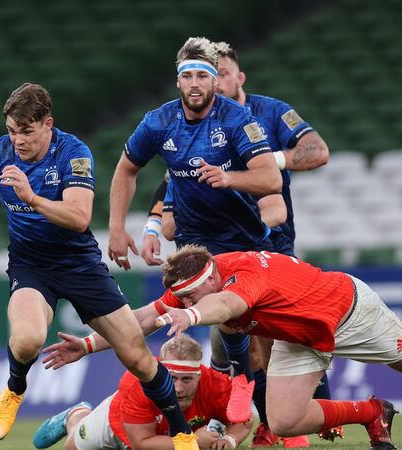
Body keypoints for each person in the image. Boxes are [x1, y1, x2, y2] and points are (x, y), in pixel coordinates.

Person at [0, 82, 200, 450]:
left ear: (48, 124)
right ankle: (15, 389)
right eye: (12, 131)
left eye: (27, 131)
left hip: (80, 265)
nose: (18, 140)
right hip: (31, 265)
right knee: (28, 338)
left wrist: (30, 197)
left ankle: (181, 432)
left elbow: (79, 217)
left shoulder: (73, 153)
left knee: (138, 358)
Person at [139, 41, 333, 447]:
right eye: (195, 75)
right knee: (231, 339)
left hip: (271, 245)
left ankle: (317, 415)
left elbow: (316, 153)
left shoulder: (267, 113)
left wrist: (261, 162)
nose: (209, 82)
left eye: (218, 74)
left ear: (236, 77)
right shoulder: (190, 126)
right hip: (222, 250)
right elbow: (174, 179)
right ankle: (255, 420)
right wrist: (155, 226)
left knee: (292, 335)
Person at [107, 35, 281, 433]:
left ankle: (266, 409)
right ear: (179, 82)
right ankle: (244, 388)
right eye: (189, 76)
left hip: (247, 241)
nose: (196, 83)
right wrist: (118, 228)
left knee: (265, 334)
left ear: (215, 82)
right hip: (196, 246)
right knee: (228, 321)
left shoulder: (238, 120)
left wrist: (229, 178)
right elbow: (125, 170)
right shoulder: (158, 121)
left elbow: (271, 178)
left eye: (204, 75)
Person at [154, 244, 402, 449]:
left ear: (208, 281)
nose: (181, 304)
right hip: (299, 334)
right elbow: (146, 316)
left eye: (188, 300)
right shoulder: (194, 283)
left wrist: (192, 315)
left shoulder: (240, 276)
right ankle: (372, 413)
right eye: (181, 301)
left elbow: (225, 306)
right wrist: (101, 336)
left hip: (344, 311)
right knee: (284, 420)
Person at [33, 334, 252, 450]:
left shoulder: (216, 384)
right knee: (72, 447)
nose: (178, 388)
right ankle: (75, 416)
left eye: (187, 379)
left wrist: (231, 440)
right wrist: (195, 440)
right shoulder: (137, 384)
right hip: (118, 425)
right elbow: (142, 443)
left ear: (199, 375)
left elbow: (244, 420)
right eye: (171, 379)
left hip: (170, 438)